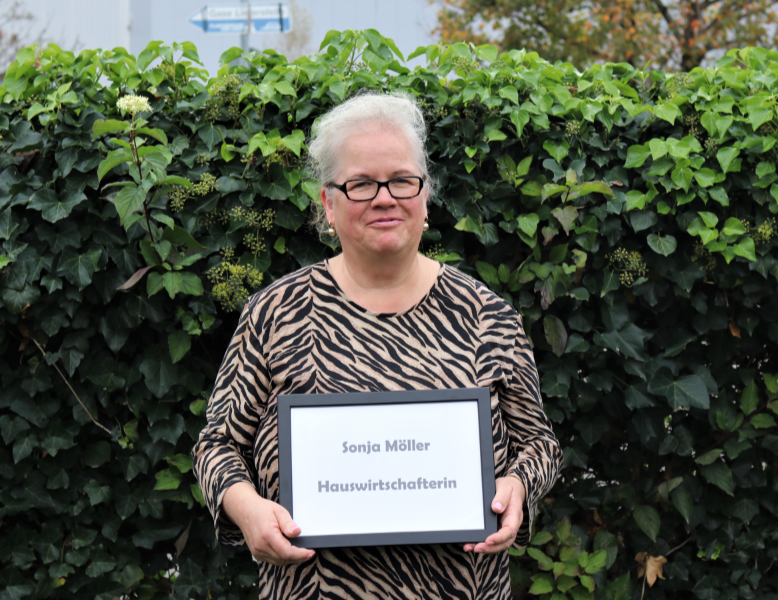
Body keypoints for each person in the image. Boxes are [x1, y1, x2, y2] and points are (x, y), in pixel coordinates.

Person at [193, 92, 562, 600]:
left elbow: (540, 445)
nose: (385, 198)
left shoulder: (487, 316)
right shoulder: (275, 313)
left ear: (425, 195)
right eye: (362, 183)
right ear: (328, 203)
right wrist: (247, 508)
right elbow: (217, 445)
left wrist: (518, 486)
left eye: (402, 180)